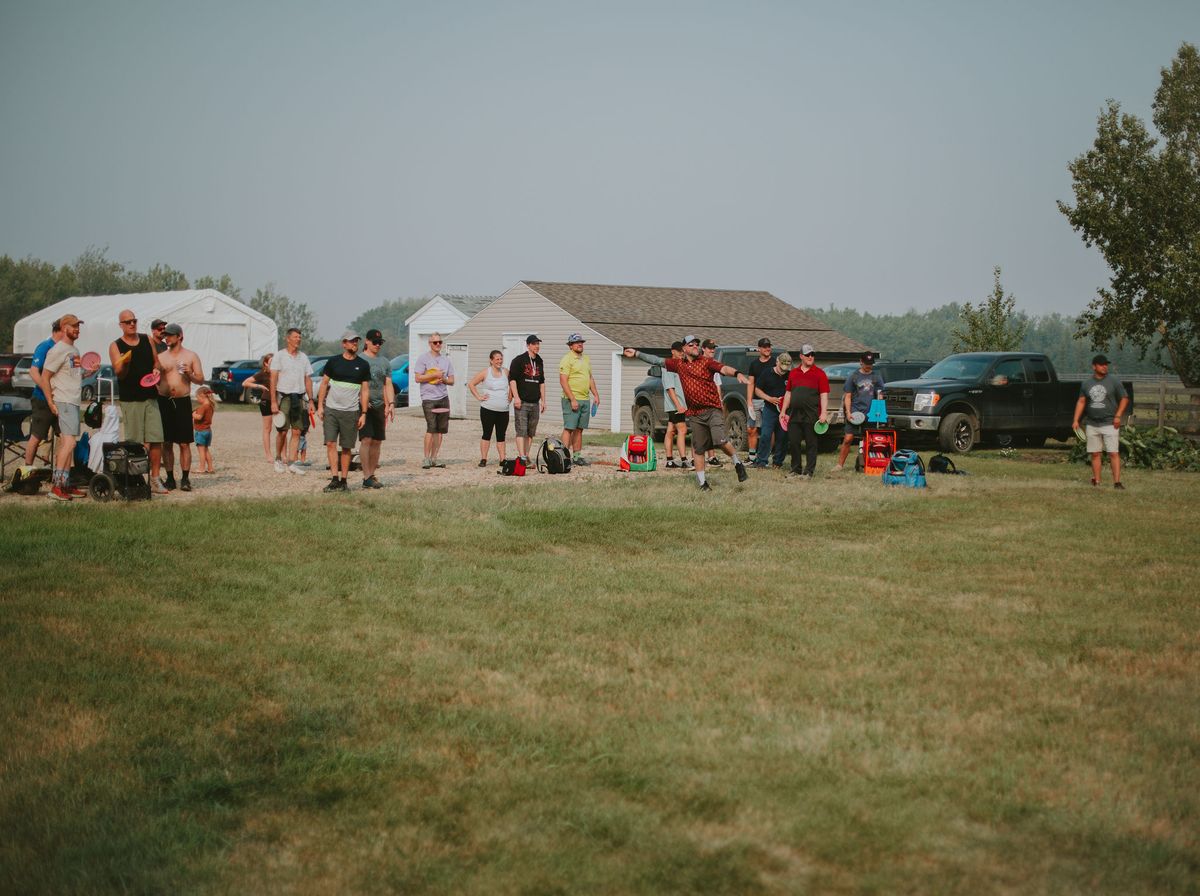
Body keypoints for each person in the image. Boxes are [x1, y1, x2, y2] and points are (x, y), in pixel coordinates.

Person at [623, 336, 750, 491]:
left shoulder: (706, 362)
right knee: (698, 449)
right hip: (695, 414)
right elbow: (656, 360)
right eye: (691, 344)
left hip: (712, 409)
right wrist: (637, 353)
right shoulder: (678, 365)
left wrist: (737, 373)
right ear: (684, 348)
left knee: (720, 440)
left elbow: (723, 368)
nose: (695, 346)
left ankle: (737, 462)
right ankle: (703, 483)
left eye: (697, 344)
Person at [109, 308, 166, 494]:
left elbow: (156, 362)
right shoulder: (115, 346)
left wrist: (156, 370)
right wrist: (124, 364)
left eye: (134, 320)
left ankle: (155, 479)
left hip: (150, 396)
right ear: (121, 325)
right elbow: (120, 374)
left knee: (156, 438)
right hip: (130, 399)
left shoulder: (147, 339)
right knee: (134, 442)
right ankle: (135, 479)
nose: (132, 324)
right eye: (128, 322)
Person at [41, 314, 98, 501]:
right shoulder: (57, 350)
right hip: (63, 400)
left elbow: (74, 375)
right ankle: (56, 487)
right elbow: (45, 377)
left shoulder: (74, 350)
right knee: (69, 444)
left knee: (68, 444)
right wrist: (50, 402)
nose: (77, 329)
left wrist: (89, 372)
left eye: (78, 326)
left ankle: (65, 484)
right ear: (64, 327)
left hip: (73, 401)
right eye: (74, 326)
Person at [316, 332, 371, 492]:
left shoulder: (363, 365)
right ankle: (334, 479)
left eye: (356, 341)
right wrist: (320, 406)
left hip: (351, 412)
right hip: (331, 410)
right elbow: (324, 384)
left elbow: (365, 390)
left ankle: (344, 481)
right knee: (331, 443)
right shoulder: (333, 362)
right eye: (351, 341)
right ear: (344, 343)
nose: (354, 344)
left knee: (347, 447)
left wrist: (364, 413)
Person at [156, 323, 204, 492]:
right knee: (166, 442)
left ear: (180, 336)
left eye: (170, 335)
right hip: (164, 400)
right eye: (165, 335)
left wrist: (189, 373)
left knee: (184, 443)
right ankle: (170, 478)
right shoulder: (161, 357)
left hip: (182, 401)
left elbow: (200, 379)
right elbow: (153, 378)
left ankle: (185, 478)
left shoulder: (191, 356)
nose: (167, 338)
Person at [1072, 353, 1130, 490]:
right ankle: (1097, 481)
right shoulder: (1086, 383)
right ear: (1094, 366)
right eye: (1101, 364)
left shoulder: (1114, 381)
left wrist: (1118, 416)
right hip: (1092, 423)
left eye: (1106, 365)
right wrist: (1076, 420)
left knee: (1113, 453)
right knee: (1095, 453)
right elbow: (1081, 401)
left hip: (1110, 423)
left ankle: (1117, 483)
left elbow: (1124, 398)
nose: (1105, 367)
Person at [780, 343, 829, 479]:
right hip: (794, 414)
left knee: (811, 444)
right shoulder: (793, 373)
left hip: (812, 414)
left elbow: (824, 395)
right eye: (807, 355)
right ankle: (795, 469)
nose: (810, 357)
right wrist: (783, 411)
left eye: (812, 354)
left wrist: (824, 412)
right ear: (801, 356)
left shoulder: (820, 373)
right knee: (794, 442)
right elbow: (788, 393)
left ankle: (808, 472)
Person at [269, 328, 313, 475]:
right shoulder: (279, 356)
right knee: (282, 431)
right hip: (284, 397)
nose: (298, 339)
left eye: (299, 337)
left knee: (297, 431)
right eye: (295, 337)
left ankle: (292, 462)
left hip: (299, 397)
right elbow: (273, 379)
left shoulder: (303, 357)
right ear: (288, 339)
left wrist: (311, 400)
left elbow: (308, 379)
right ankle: (278, 459)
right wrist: (273, 401)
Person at [834, 351, 886, 472]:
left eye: (871, 363)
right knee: (848, 439)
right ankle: (839, 465)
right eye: (867, 363)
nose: (869, 366)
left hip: (870, 413)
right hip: (855, 412)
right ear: (861, 362)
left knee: (869, 441)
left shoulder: (876, 377)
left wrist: (878, 411)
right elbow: (847, 396)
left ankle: (868, 464)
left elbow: (880, 395)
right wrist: (848, 412)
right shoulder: (854, 376)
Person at [358, 328, 395, 488]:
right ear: (367, 341)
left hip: (380, 405)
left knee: (377, 441)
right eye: (375, 342)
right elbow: (355, 383)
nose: (378, 345)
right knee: (366, 439)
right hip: (364, 406)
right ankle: (366, 475)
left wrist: (390, 404)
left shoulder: (384, 362)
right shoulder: (359, 360)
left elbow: (387, 384)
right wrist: (361, 400)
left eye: (380, 342)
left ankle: (371, 475)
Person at [24, 318, 62, 466]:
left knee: (65, 437)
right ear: (60, 330)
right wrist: (47, 390)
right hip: (42, 400)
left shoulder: (66, 349)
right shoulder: (45, 346)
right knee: (37, 436)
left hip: (61, 400)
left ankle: (60, 473)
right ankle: (27, 470)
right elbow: (33, 372)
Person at [558, 333, 600, 465]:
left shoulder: (586, 358)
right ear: (570, 346)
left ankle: (576, 457)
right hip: (571, 399)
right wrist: (572, 399)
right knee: (569, 428)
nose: (580, 344)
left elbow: (590, 378)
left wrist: (596, 395)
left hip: (585, 399)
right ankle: (563, 458)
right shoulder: (567, 359)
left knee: (579, 429)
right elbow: (563, 380)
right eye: (576, 342)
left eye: (581, 342)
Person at [414, 332, 455, 469]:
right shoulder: (423, 359)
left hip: (443, 397)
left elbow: (452, 380)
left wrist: (443, 379)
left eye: (440, 342)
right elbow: (418, 378)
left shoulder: (446, 360)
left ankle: (434, 458)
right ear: (430, 344)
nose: (438, 344)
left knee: (440, 430)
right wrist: (433, 375)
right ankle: (426, 459)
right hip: (429, 398)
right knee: (431, 428)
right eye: (435, 342)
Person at [468, 350, 511, 467]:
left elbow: (513, 384)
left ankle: (502, 459)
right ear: (491, 360)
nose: (499, 361)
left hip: (503, 410)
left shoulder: (506, 372)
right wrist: (479, 397)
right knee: (487, 434)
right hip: (488, 409)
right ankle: (483, 459)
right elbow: (471, 384)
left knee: (501, 435)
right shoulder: (485, 372)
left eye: (501, 359)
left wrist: (510, 397)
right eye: (497, 359)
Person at [508, 335, 546, 467]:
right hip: (522, 401)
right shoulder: (519, 360)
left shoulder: (539, 360)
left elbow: (541, 382)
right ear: (528, 345)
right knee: (521, 431)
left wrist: (543, 400)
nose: (537, 346)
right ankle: (522, 457)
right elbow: (512, 380)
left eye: (538, 344)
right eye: (534, 344)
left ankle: (526, 456)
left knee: (530, 432)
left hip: (535, 402)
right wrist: (516, 397)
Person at [752, 350, 792, 469]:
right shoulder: (767, 373)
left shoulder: (790, 375)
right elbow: (757, 390)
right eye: (781, 368)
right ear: (777, 362)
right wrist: (769, 398)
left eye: (785, 369)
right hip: (770, 409)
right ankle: (761, 461)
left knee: (783, 436)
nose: (783, 371)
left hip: (785, 410)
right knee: (765, 435)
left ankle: (777, 462)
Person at [242, 353, 276, 462]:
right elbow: (245, 383)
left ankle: (282, 455)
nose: (274, 363)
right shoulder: (262, 374)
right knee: (267, 428)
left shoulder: (279, 373)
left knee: (282, 429)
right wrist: (259, 385)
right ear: (265, 363)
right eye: (271, 361)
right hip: (266, 401)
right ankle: (268, 455)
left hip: (279, 401)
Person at [662, 341, 690, 469]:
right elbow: (670, 388)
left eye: (683, 351)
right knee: (682, 430)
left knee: (671, 430)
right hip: (675, 404)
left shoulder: (680, 365)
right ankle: (684, 461)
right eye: (679, 351)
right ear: (672, 351)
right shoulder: (669, 366)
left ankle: (669, 461)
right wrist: (678, 405)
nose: (682, 354)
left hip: (678, 404)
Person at [746, 338, 775, 463]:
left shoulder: (775, 362)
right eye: (764, 347)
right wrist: (749, 401)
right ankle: (752, 456)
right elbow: (751, 383)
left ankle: (767, 455)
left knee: (769, 430)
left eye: (769, 346)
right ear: (759, 349)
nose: (767, 349)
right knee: (751, 429)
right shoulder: (754, 364)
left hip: (770, 400)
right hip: (756, 401)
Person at [700, 339, 723, 466]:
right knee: (698, 431)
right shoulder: (697, 362)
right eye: (709, 348)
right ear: (703, 348)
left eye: (713, 348)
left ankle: (711, 457)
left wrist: (720, 401)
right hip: (700, 402)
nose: (712, 350)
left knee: (711, 429)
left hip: (712, 402)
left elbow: (718, 384)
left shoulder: (714, 364)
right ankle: (695, 458)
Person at [192, 385, 216, 474]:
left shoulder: (203, 407)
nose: (197, 400)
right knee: (206, 450)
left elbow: (199, 417)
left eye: (197, 397)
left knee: (201, 451)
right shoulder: (210, 406)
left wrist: (193, 414)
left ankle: (201, 468)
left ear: (202, 396)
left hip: (201, 431)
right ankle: (210, 468)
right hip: (208, 431)